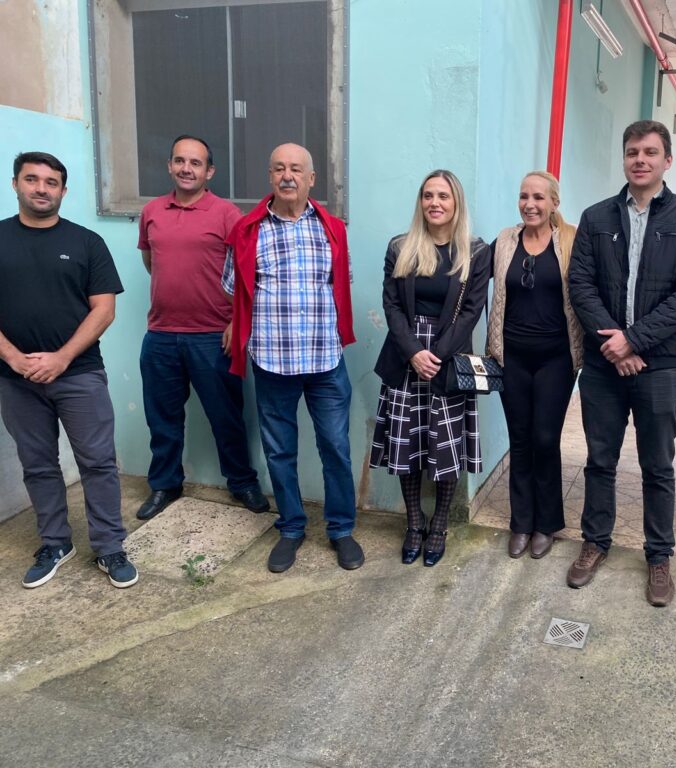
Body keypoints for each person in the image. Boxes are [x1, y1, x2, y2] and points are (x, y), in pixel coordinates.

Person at [567, 120, 676, 606]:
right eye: (633, 152)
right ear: (624, 158)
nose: (640, 160)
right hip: (603, 364)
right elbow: (580, 285)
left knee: (658, 464)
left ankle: (658, 556)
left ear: (667, 160)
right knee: (599, 459)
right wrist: (614, 344)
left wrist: (633, 341)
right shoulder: (595, 218)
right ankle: (595, 542)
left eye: (650, 152)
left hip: (660, 363)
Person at [0, 152, 138, 589]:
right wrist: (13, 358)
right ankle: (56, 543)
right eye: (32, 179)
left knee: (97, 463)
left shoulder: (86, 243)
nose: (41, 188)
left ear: (63, 190)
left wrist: (61, 357)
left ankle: (110, 546)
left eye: (51, 182)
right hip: (16, 379)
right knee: (38, 464)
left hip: (79, 374)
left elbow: (104, 309)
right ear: (16, 184)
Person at [221, 143, 361, 574]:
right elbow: (234, 288)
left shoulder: (333, 229)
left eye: (296, 169)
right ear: (270, 176)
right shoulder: (248, 230)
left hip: (324, 361)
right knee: (279, 451)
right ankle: (292, 527)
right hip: (272, 361)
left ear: (311, 179)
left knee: (336, 447)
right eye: (279, 168)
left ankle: (341, 529)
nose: (288, 176)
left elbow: (343, 281)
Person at [136, 135, 267, 521]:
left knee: (227, 417)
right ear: (170, 166)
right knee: (162, 419)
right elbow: (150, 261)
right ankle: (165, 484)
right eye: (180, 161)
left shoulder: (227, 214)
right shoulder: (152, 211)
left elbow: (246, 273)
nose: (186, 168)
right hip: (160, 335)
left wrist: (235, 321)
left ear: (209, 171)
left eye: (195, 163)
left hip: (213, 335)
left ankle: (242, 482)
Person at [370, 169, 490, 567]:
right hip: (406, 356)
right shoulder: (400, 246)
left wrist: (434, 355)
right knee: (407, 443)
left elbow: (471, 311)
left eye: (443, 196)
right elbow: (391, 304)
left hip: (448, 357)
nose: (434, 203)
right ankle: (414, 522)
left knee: (445, 445)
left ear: (456, 203)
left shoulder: (475, 252)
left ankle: (439, 524)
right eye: (427, 195)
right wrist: (413, 353)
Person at [486, 171, 583, 560]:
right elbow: (470, 278)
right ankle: (521, 522)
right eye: (524, 196)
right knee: (520, 439)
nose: (530, 204)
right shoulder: (504, 241)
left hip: (556, 358)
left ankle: (547, 522)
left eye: (539, 197)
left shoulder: (571, 241)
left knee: (545, 438)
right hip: (511, 356)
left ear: (554, 202)